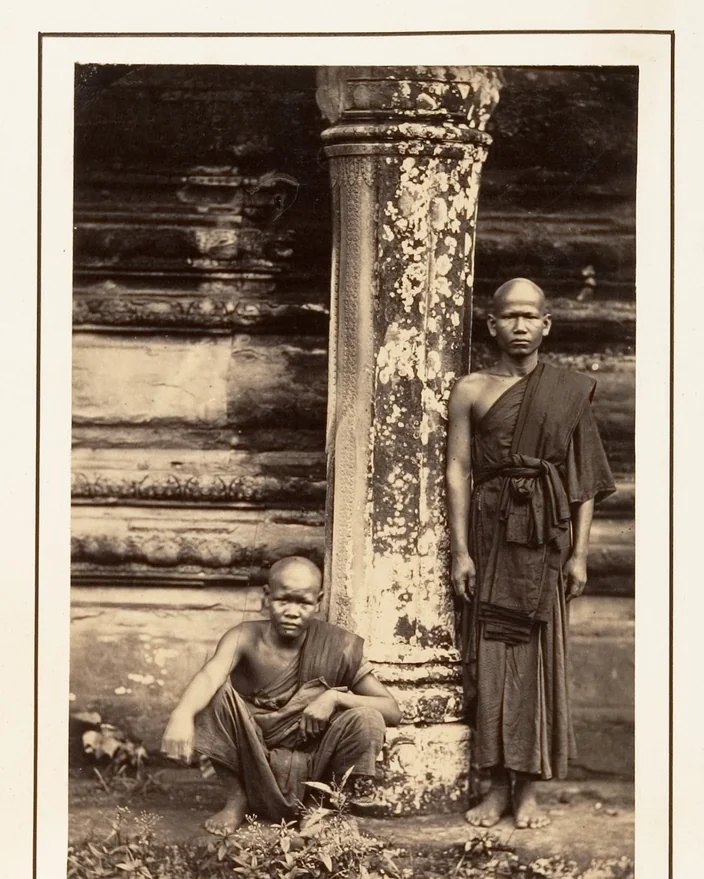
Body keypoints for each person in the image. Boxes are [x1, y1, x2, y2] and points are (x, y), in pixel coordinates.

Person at [445, 278, 615, 829]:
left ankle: (530, 790)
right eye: (508, 316)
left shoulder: (567, 392)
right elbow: (458, 471)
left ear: (547, 324)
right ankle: (495, 786)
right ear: (491, 324)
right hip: (493, 536)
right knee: (493, 659)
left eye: (530, 316)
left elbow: (582, 480)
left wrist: (579, 554)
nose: (520, 326)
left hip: (545, 539)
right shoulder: (471, 389)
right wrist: (460, 552)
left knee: (540, 662)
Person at [161, 556, 401, 834]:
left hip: (312, 756)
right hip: (254, 751)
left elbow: (392, 711)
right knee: (211, 694)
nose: (292, 611)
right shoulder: (245, 637)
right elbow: (210, 675)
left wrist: (335, 698)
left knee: (367, 718)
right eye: (283, 600)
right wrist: (182, 714)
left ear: (319, 602)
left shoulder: (339, 646)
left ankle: (318, 802)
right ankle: (237, 798)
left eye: (304, 603)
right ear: (266, 596)